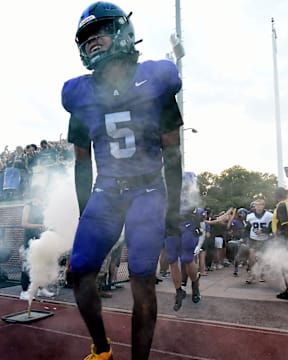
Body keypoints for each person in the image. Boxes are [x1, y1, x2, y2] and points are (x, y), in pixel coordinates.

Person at [61, 2, 183, 359]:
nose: (91, 43)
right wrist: (86, 212)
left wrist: (172, 211)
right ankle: (102, 349)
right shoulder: (79, 95)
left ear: (121, 31)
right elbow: (82, 162)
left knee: (142, 280)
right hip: (107, 191)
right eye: (84, 38)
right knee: (80, 273)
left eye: (97, 32)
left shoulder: (157, 78)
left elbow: (172, 153)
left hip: (148, 189)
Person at [164, 172, 203, 311]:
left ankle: (195, 283)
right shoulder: (166, 188)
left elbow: (196, 208)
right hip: (171, 225)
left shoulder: (188, 183)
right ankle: (179, 290)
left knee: (187, 258)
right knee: (172, 259)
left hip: (186, 224)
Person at [19, 186, 55, 300]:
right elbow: (24, 223)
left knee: (42, 264)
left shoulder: (42, 206)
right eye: (42, 192)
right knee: (27, 265)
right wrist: (40, 226)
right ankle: (24, 291)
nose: (44, 194)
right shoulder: (28, 205)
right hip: (30, 239)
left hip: (41, 239)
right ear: (36, 193)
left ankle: (41, 288)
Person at [245, 198, 273, 283]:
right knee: (251, 257)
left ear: (264, 206)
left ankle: (262, 274)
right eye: (256, 205)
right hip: (253, 238)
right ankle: (252, 275)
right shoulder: (250, 216)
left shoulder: (270, 215)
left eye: (260, 204)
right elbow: (247, 228)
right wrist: (246, 238)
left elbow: (272, 228)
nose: (258, 206)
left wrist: (263, 231)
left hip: (264, 239)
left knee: (262, 258)